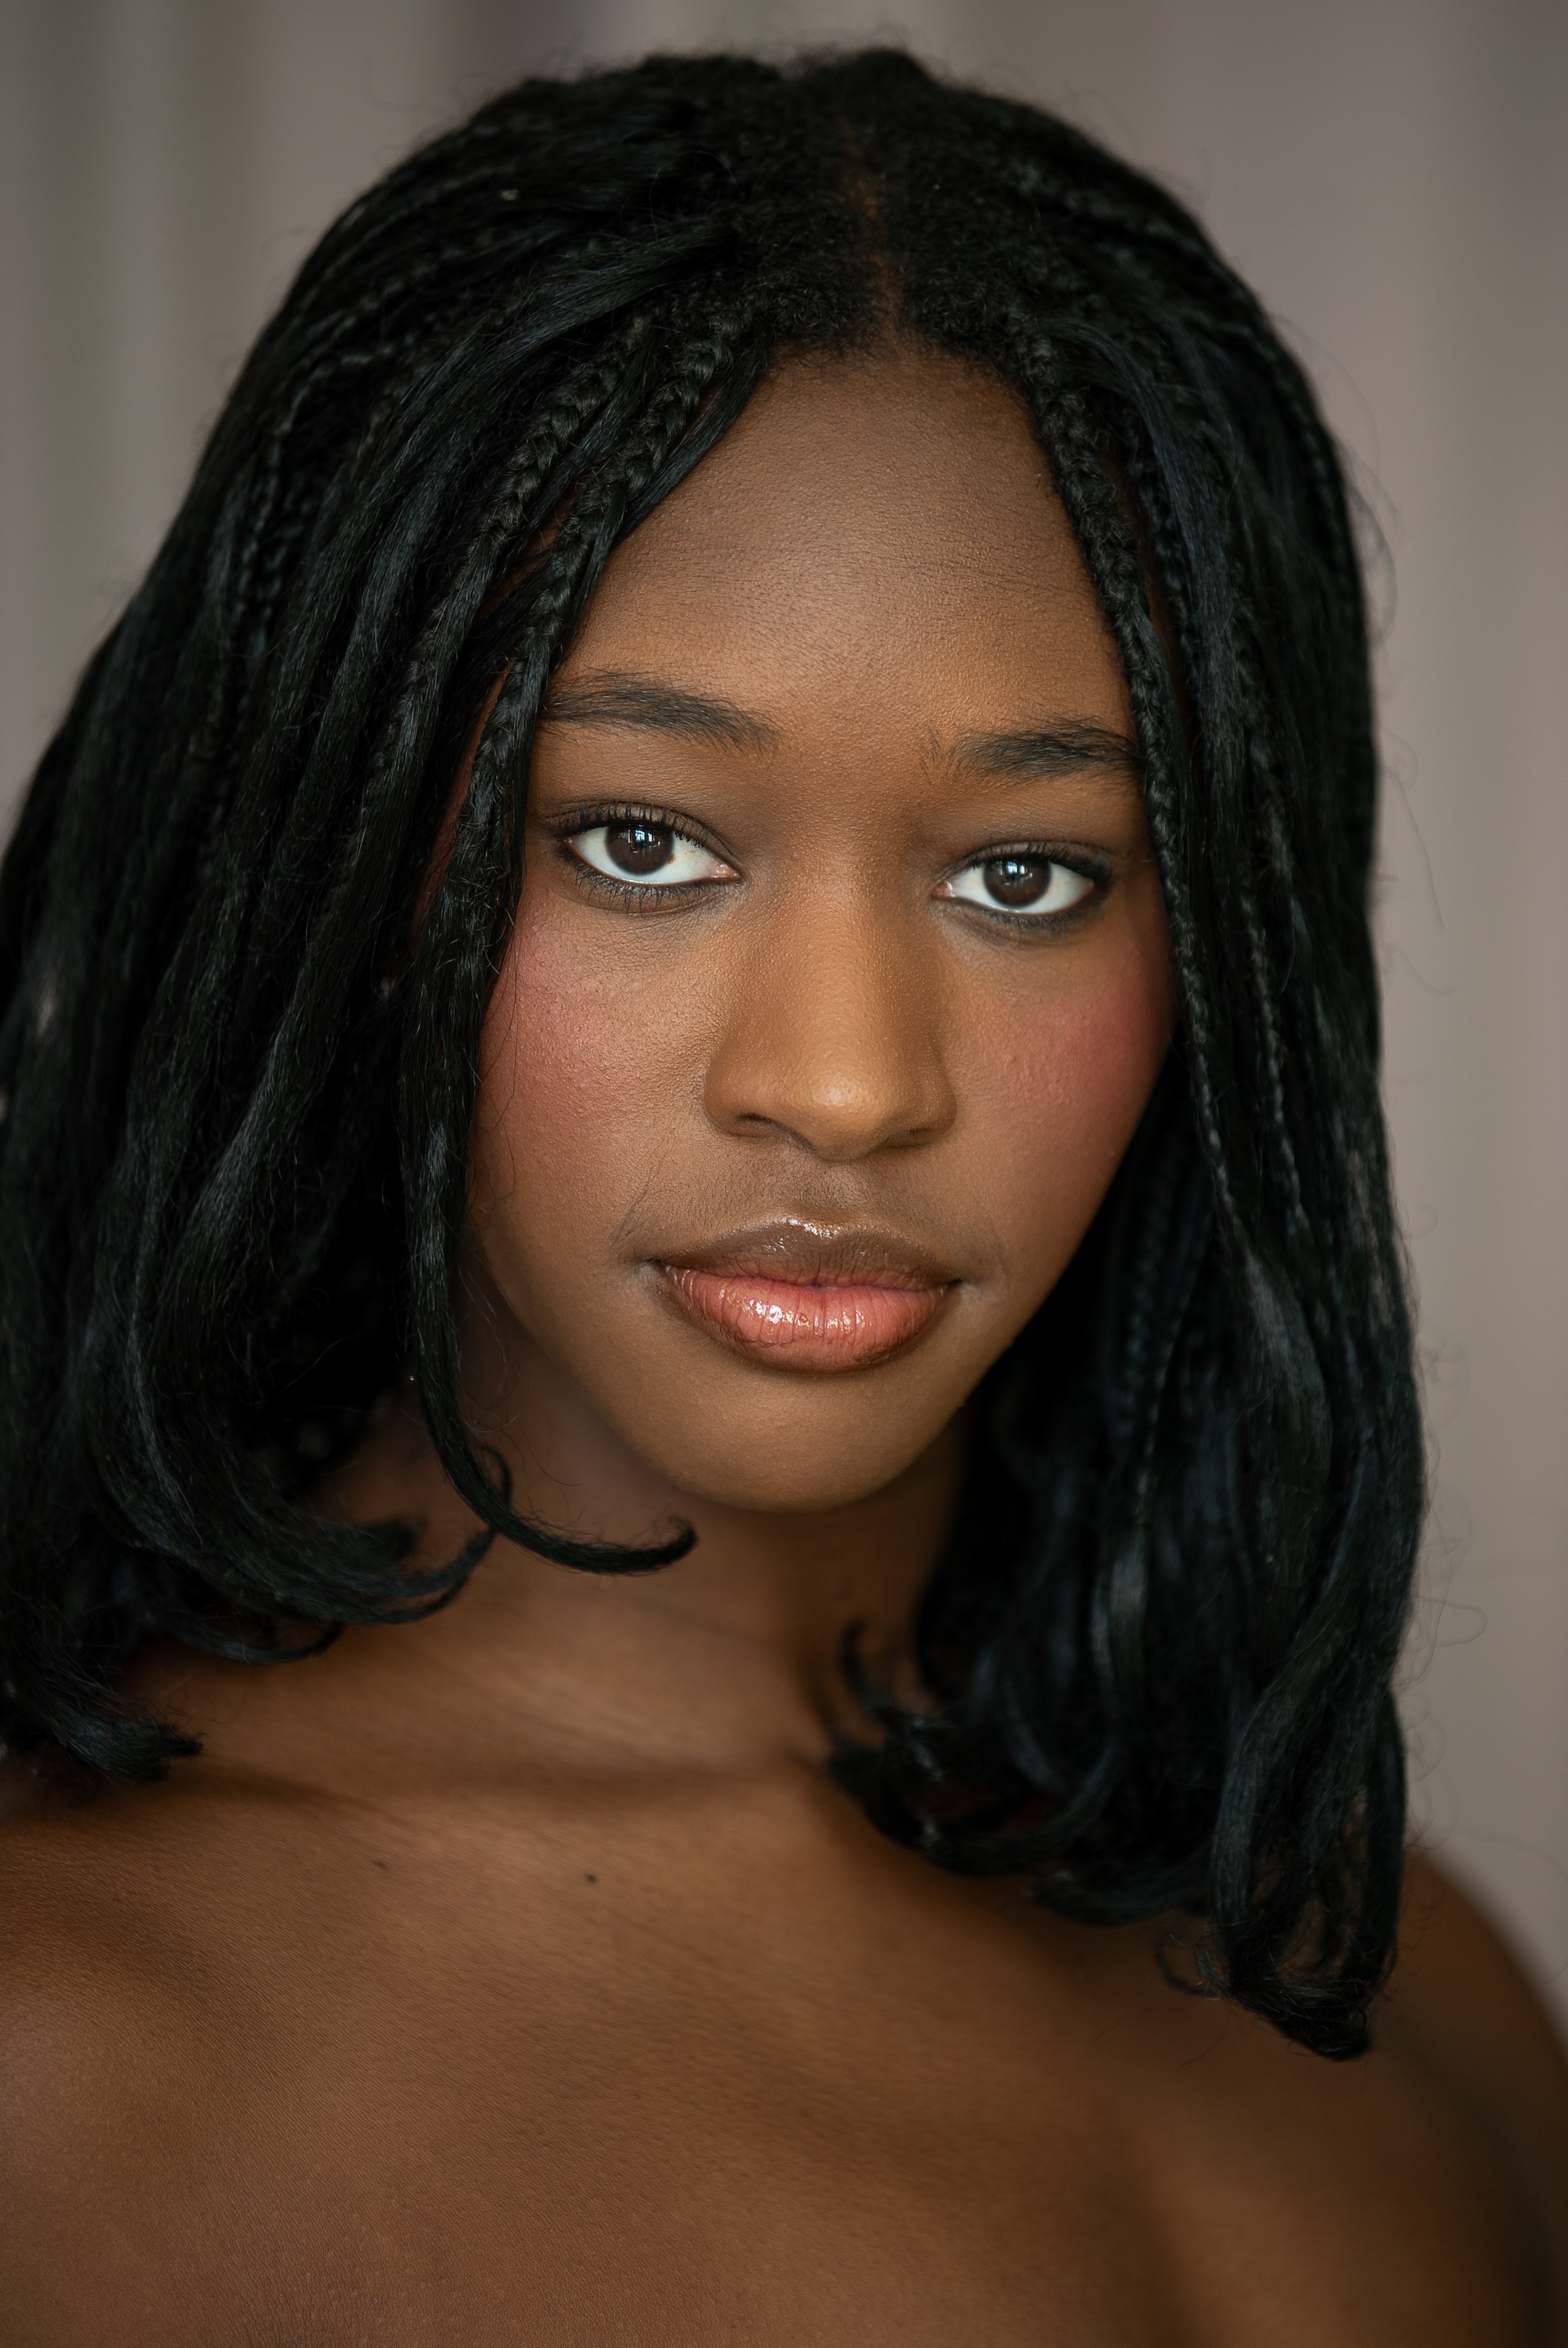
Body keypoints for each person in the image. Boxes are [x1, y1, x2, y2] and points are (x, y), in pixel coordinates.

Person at [0, 46, 1562, 2344]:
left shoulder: (1408, 1981)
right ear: (337, 853)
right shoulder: (57, 2049)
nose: (845, 1083)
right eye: (640, 839)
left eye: (1031, 871)